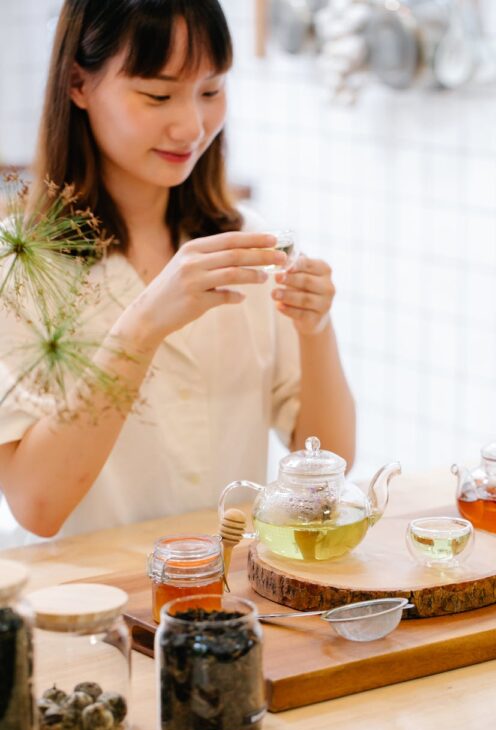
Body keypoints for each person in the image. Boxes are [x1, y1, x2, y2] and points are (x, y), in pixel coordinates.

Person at [0, 0, 355, 546]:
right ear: (78, 84)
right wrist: (142, 325)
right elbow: (36, 505)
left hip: (227, 598)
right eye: (158, 95)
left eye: (211, 91)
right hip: (86, 608)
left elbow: (331, 460)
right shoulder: (18, 266)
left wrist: (316, 328)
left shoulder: (244, 239)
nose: (191, 125)